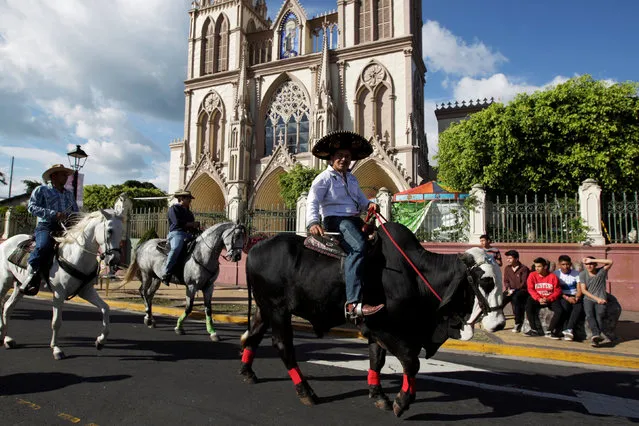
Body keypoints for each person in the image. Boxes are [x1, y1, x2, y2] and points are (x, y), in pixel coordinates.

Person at [306, 131, 384, 321]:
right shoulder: (323, 178)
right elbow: (312, 201)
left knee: (382, 240)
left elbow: (361, 200)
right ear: (332, 158)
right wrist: (313, 222)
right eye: (340, 156)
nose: (344, 159)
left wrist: (370, 205)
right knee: (358, 247)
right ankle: (353, 304)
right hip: (335, 220)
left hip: (353, 218)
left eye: (347, 157)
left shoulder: (352, 178)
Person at [20, 164, 79, 293]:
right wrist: (54, 214)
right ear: (54, 176)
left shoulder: (69, 194)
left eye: (66, 175)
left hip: (65, 227)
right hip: (46, 226)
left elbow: (76, 211)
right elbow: (31, 207)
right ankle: (30, 277)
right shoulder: (41, 190)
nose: (66, 177)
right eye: (63, 174)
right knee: (44, 246)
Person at [161, 189, 200, 286]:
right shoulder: (174, 208)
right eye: (188, 198)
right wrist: (192, 224)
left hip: (189, 234)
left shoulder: (190, 213)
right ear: (181, 198)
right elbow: (177, 223)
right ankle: (166, 273)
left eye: (190, 198)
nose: (190, 200)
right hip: (177, 233)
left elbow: (191, 226)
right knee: (176, 248)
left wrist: (196, 227)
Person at [523, 257, 562, 338]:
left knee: (559, 310)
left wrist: (548, 299)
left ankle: (550, 331)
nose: (536, 268)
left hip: (549, 299)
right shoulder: (532, 275)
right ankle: (534, 330)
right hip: (538, 298)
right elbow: (530, 289)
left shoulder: (553, 277)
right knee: (528, 305)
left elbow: (557, 291)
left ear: (545, 267)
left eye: (539, 266)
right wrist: (538, 298)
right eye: (535, 266)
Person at [579, 256, 614, 347]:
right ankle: (596, 335)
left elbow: (610, 261)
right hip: (589, 299)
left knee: (599, 315)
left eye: (591, 264)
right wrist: (596, 299)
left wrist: (592, 260)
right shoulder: (583, 274)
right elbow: (583, 290)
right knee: (590, 314)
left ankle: (596, 337)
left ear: (595, 264)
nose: (589, 266)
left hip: (601, 299)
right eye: (587, 264)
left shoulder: (601, 271)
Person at [553, 255, 583, 341]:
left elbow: (579, 287)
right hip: (563, 295)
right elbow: (557, 289)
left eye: (567, 264)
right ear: (559, 264)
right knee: (565, 307)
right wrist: (567, 298)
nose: (565, 266)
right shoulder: (556, 274)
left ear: (570, 264)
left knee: (578, 307)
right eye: (563, 264)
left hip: (575, 295)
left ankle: (569, 330)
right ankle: (563, 329)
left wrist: (577, 297)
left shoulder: (576, 273)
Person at [502, 250, 530, 333]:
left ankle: (518, 323)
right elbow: (506, 280)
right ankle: (499, 319)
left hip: (522, 291)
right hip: (510, 290)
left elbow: (524, 283)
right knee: (501, 299)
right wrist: (508, 288)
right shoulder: (507, 268)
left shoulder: (524, 269)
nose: (508, 260)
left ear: (516, 259)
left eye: (510, 258)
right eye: (507, 258)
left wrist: (514, 290)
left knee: (516, 299)